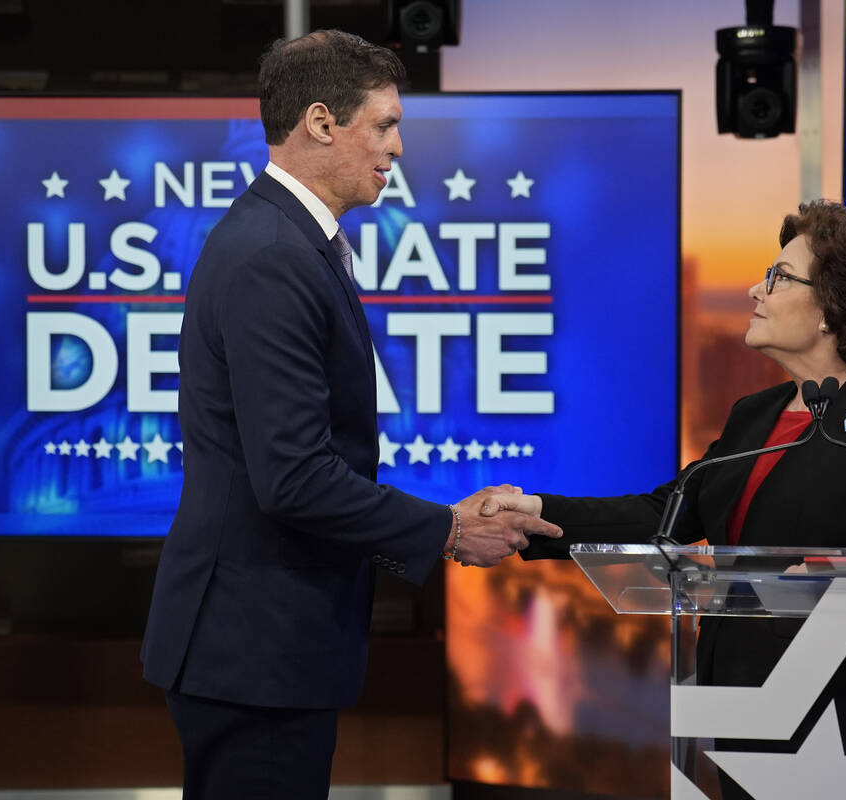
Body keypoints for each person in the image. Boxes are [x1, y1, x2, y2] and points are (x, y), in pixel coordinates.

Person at [140, 30, 560, 799]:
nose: (399, 147)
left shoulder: (290, 241)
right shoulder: (273, 254)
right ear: (322, 122)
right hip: (251, 648)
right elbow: (294, 478)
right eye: (385, 124)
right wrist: (446, 530)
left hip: (268, 644)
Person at [489, 200, 846, 794]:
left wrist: (824, 579)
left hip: (844, 722)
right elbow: (664, 514)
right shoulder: (756, 415)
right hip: (737, 707)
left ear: (831, 309)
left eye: (779, 277)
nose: (755, 289)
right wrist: (540, 513)